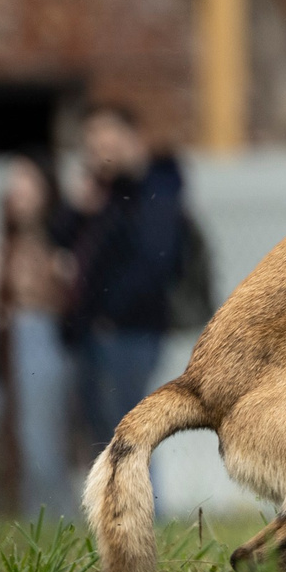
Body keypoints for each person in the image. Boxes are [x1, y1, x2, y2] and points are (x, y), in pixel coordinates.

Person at [61, 102, 187, 458]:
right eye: (92, 142)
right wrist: (78, 206)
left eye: (107, 138)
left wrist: (112, 314)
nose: (100, 150)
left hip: (131, 329)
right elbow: (60, 237)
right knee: (103, 430)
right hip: (95, 329)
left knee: (129, 428)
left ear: (132, 140)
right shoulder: (102, 194)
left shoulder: (157, 188)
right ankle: (114, 508)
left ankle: (140, 508)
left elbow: (156, 262)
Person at [0, 151, 79, 518]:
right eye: (12, 183)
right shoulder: (2, 243)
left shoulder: (59, 242)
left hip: (39, 342)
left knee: (40, 444)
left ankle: (50, 522)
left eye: (25, 182)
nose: (15, 191)